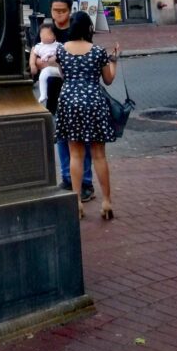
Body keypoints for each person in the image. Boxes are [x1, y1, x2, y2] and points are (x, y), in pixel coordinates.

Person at [55, 11, 120, 220]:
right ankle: (107, 201)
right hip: (93, 100)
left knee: (75, 153)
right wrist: (114, 61)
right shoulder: (98, 51)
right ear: (88, 28)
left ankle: (77, 203)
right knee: (99, 154)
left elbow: (63, 75)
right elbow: (108, 79)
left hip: (69, 101)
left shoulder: (61, 50)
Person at [48, 0, 94, 202]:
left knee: (82, 140)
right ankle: (67, 177)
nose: (58, 14)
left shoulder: (77, 29)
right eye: (55, 10)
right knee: (62, 138)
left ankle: (85, 182)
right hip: (55, 92)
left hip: (77, 93)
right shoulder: (46, 31)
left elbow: (85, 57)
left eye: (62, 10)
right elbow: (37, 57)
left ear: (70, 10)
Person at [29, 22, 60, 106]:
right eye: (41, 35)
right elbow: (33, 55)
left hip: (60, 68)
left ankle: (62, 95)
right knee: (43, 75)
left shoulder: (58, 45)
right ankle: (43, 94)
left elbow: (61, 55)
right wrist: (32, 65)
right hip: (49, 69)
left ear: (54, 36)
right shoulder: (39, 46)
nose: (44, 37)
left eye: (47, 34)